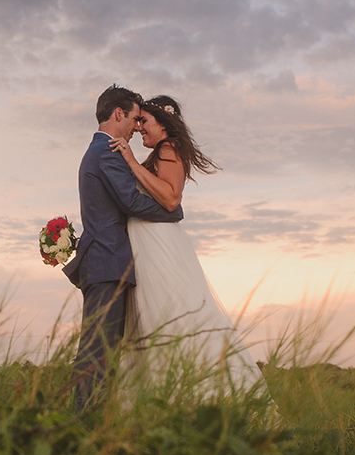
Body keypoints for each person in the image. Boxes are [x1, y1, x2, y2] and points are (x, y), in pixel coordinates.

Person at [109, 95, 276, 408]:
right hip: (149, 243)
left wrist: (132, 163)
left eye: (145, 121)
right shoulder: (161, 152)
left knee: (168, 318)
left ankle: (195, 400)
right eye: (139, 121)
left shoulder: (167, 148)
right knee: (154, 322)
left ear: (164, 123)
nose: (140, 127)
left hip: (159, 245)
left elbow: (172, 199)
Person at [63, 85, 184, 413]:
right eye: (133, 118)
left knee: (103, 351)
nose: (136, 126)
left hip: (106, 263)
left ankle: (88, 422)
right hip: (107, 264)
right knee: (97, 353)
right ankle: (81, 425)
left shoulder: (102, 150)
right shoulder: (107, 152)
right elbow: (132, 201)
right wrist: (174, 211)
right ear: (119, 114)